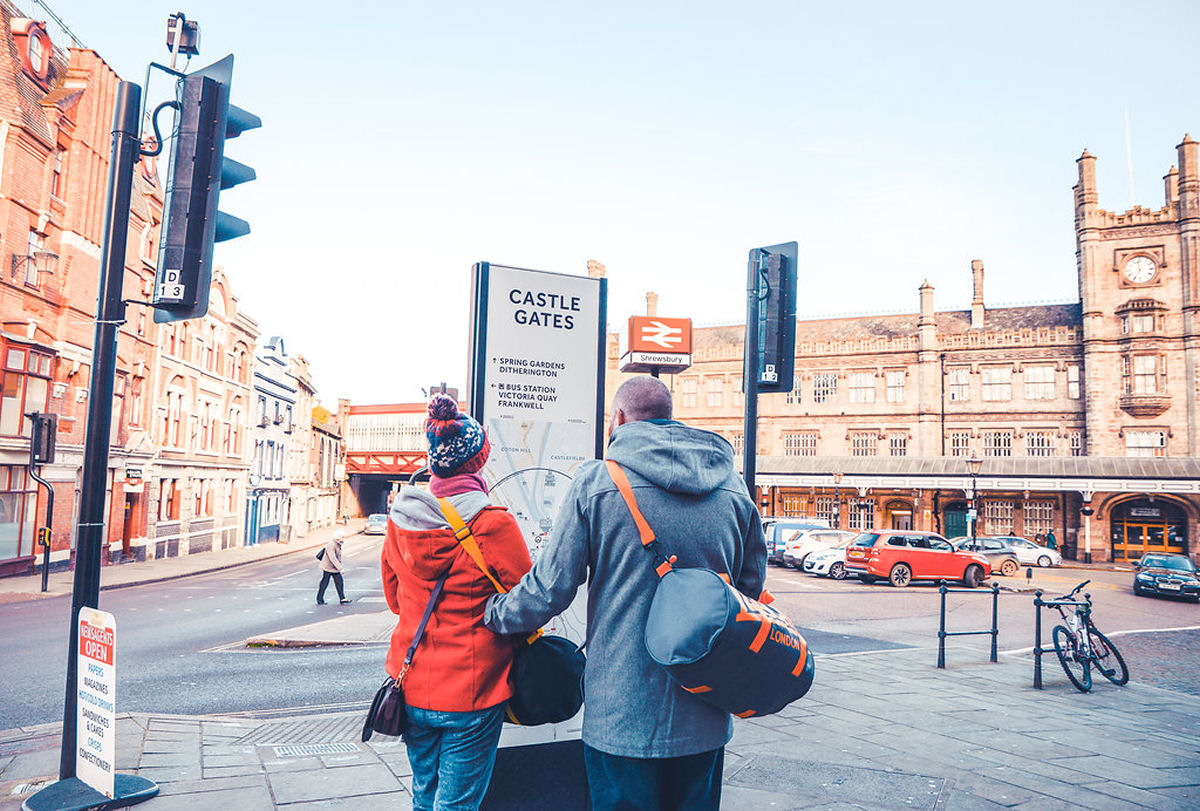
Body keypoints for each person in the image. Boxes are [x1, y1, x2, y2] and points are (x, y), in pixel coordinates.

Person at [484, 376, 766, 810]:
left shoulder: (598, 483)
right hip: (704, 710)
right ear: (669, 416)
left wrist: (496, 614)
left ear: (618, 418)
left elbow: (552, 588)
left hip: (621, 713)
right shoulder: (732, 486)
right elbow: (749, 590)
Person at [382, 395, 532, 811]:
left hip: (410, 684)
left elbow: (395, 600)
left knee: (424, 795)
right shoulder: (492, 523)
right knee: (458, 804)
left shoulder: (400, 520)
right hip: (472, 688)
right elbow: (527, 599)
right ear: (478, 462)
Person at [317, 530, 351, 605]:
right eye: (342, 537)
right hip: (329, 567)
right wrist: (340, 568)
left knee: (339, 582)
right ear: (338, 537)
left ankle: (342, 598)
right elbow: (332, 557)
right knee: (325, 583)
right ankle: (320, 599)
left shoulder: (337, 544)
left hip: (333, 567)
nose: (343, 539)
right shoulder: (331, 545)